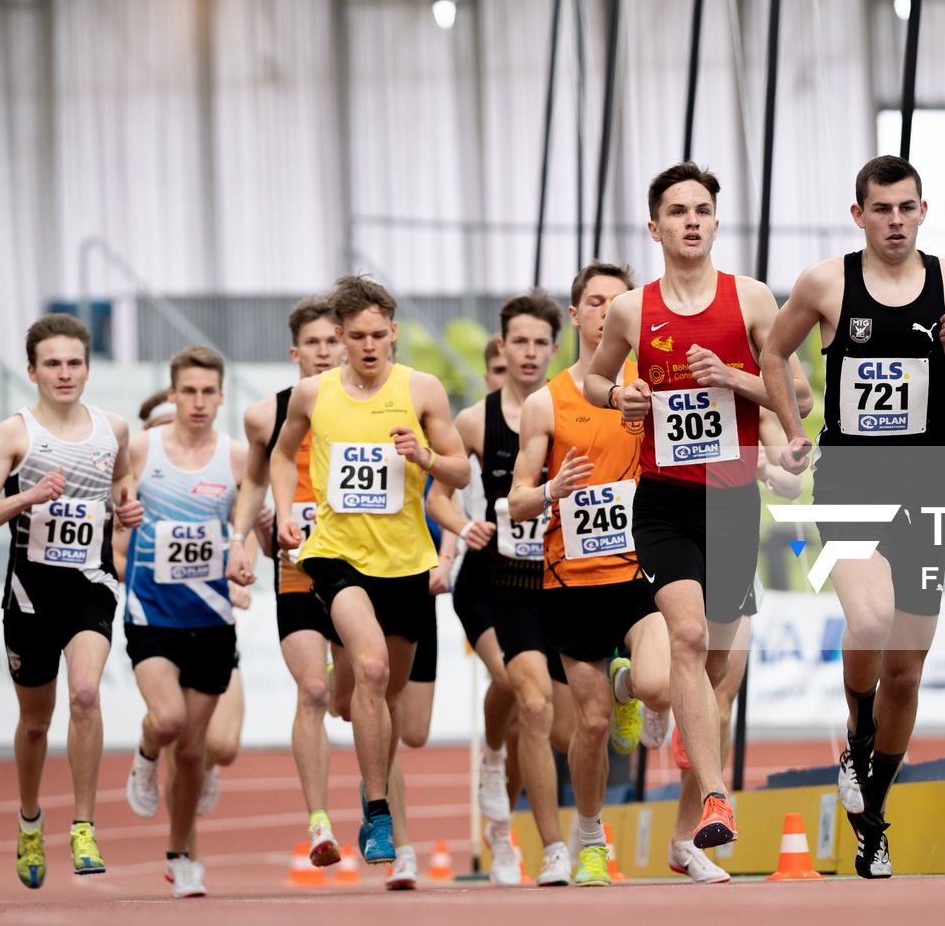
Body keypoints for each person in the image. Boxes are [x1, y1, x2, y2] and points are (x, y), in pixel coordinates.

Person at [762, 154, 945, 878]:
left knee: (906, 671)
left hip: (926, 486)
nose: (894, 221)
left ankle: (873, 814)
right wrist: (791, 428)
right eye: (881, 209)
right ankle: (857, 734)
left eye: (906, 208)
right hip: (850, 478)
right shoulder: (825, 283)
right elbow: (774, 355)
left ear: (922, 212)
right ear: (858, 214)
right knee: (868, 623)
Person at [579, 161, 807, 853]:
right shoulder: (630, 310)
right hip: (664, 503)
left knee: (712, 667)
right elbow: (592, 376)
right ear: (655, 227)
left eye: (702, 209)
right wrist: (621, 396)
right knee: (686, 638)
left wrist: (731, 376)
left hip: (734, 500)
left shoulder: (754, 301)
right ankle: (715, 799)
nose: (691, 221)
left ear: (716, 220)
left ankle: (663, 711)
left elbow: (791, 390)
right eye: (677, 211)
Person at [271, 275, 481, 869]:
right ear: (338, 337)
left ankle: (368, 759)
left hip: (405, 562)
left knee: (381, 698)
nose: (368, 346)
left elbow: (461, 473)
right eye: (356, 336)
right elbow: (283, 455)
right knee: (371, 667)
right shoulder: (313, 395)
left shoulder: (422, 390)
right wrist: (287, 513)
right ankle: (380, 816)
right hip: (335, 555)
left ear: (394, 332)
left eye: (379, 335)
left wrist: (424, 456)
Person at [507, 263, 681, 887]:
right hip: (572, 580)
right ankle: (589, 841)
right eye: (595, 301)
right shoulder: (543, 402)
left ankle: (629, 685)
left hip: (640, 569)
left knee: (660, 686)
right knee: (591, 725)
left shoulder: (649, 387)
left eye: (618, 301)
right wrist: (555, 487)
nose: (607, 311)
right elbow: (516, 500)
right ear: (576, 315)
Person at [0, 313, 143, 890]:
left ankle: (83, 826)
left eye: (75, 363)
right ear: (33, 370)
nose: (65, 374)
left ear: (88, 368)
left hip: (90, 585)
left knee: (86, 693)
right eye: (54, 364)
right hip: (29, 592)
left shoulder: (113, 429)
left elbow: (122, 490)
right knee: (35, 724)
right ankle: (30, 818)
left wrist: (127, 519)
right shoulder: (14, 435)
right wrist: (29, 497)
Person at [432, 292, 572, 886]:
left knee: (554, 728)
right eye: (520, 341)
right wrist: (463, 526)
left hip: (551, 582)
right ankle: (552, 845)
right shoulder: (474, 421)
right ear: (502, 346)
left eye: (541, 342)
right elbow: (439, 491)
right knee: (524, 693)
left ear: (553, 349)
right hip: (489, 581)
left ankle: (499, 822)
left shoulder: (571, 411)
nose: (530, 352)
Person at [116, 345, 247, 898]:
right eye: (187, 391)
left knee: (196, 751)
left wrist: (241, 559)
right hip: (152, 614)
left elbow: (248, 523)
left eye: (207, 392)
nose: (197, 402)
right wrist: (123, 518)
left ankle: (180, 855)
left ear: (220, 397)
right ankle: (146, 757)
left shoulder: (237, 459)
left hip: (212, 617)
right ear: (172, 395)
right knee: (166, 721)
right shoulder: (142, 449)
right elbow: (117, 519)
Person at [231, 297, 349, 868]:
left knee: (350, 699)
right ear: (295, 352)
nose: (325, 352)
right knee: (314, 693)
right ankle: (319, 821)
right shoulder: (264, 416)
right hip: (298, 566)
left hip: (360, 568)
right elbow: (253, 484)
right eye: (315, 343)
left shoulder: (366, 406)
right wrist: (240, 541)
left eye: (334, 341)